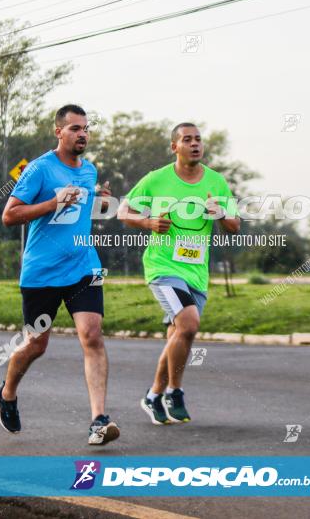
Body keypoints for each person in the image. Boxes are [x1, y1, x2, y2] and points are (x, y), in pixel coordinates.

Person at [0, 103, 119, 446]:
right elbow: (10, 215)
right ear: (59, 132)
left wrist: (100, 201)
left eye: (86, 128)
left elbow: (83, 208)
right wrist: (53, 203)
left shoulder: (90, 171)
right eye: (75, 128)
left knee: (92, 335)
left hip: (84, 266)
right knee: (36, 345)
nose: (83, 134)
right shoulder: (39, 170)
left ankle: (98, 420)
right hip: (42, 272)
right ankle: (7, 393)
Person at [119, 122, 241, 424]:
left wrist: (220, 213)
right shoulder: (156, 180)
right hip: (163, 267)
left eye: (198, 139)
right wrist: (147, 223)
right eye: (187, 140)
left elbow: (234, 226)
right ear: (175, 146)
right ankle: (175, 390)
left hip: (196, 272)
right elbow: (123, 211)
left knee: (179, 334)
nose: (195, 144)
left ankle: (152, 395)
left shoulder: (216, 181)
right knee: (188, 324)